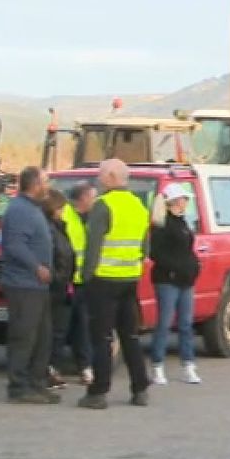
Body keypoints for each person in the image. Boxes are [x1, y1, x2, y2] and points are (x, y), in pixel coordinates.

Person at [78, 158, 152, 409]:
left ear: (111, 176)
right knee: (130, 336)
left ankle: (98, 392)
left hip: (103, 280)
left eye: (101, 174)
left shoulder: (103, 205)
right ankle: (140, 388)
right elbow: (144, 248)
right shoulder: (139, 206)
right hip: (129, 279)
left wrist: (86, 278)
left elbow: (93, 247)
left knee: (101, 338)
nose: (98, 179)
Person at [0, 166, 57, 404]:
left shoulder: (33, 209)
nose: (48, 185)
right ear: (34, 184)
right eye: (45, 181)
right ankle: (18, 386)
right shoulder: (19, 210)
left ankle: (37, 383)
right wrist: (36, 266)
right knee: (24, 337)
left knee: (42, 337)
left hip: (37, 287)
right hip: (23, 285)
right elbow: (15, 245)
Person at [148, 183, 202, 385]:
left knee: (186, 324)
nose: (186, 202)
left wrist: (194, 266)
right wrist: (175, 268)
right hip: (167, 280)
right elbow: (156, 253)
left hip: (186, 280)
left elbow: (188, 250)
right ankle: (157, 365)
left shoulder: (183, 222)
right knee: (164, 323)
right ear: (173, 202)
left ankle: (188, 364)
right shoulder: (162, 224)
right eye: (183, 199)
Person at [43, 189, 78, 391]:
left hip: (63, 286)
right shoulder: (50, 230)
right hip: (54, 288)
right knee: (52, 332)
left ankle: (52, 369)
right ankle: (48, 371)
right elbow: (54, 257)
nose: (64, 212)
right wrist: (58, 279)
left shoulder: (58, 228)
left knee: (59, 331)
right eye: (62, 208)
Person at [65, 182, 96, 383]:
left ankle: (85, 367)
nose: (96, 201)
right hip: (67, 282)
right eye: (93, 197)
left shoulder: (92, 218)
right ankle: (52, 368)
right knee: (61, 327)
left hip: (84, 281)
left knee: (83, 326)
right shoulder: (65, 215)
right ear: (83, 198)